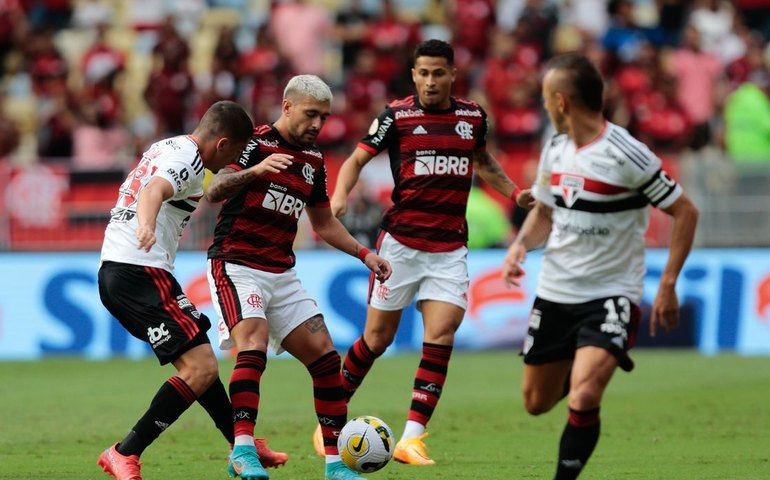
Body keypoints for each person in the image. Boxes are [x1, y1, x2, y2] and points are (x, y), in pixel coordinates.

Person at [322, 38, 529, 466]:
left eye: (439, 73)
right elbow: (358, 159)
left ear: (453, 74)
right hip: (400, 244)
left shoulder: (472, 118)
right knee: (377, 339)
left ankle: (412, 438)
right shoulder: (397, 117)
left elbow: (484, 161)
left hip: (450, 247)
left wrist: (516, 194)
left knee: (441, 336)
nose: (431, 81)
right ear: (413, 75)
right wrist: (340, 195)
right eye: (424, 73)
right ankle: (329, 416)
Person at [501, 53, 699, 479]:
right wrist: (520, 246)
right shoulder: (554, 147)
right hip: (556, 291)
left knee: (585, 394)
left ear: (561, 101)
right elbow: (545, 213)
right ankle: (580, 357)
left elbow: (685, 212)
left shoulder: (627, 153)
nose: (543, 106)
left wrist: (667, 283)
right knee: (536, 403)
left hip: (611, 292)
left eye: (544, 98)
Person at [205, 75, 392, 480]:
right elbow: (215, 189)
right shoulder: (253, 141)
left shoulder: (314, 161)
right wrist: (255, 171)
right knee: (251, 345)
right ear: (287, 107)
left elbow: (323, 224)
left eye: (323, 118)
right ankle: (242, 450)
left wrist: (365, 253)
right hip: (236, 263)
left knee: (326, 358)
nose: (317, 125)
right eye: (311, 114)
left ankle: (336, 463)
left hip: (280, 271)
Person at [96, 100, 288, 480]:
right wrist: (147, 225)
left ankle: (241, 444)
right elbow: (153, 190)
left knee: (199, 363)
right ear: (222, 143)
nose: (234, 160)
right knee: (200, 366)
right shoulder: (189, 160)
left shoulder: (168, 145)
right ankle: (124, 452)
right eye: (235, 152)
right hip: (138, 268)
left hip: (129, 268)